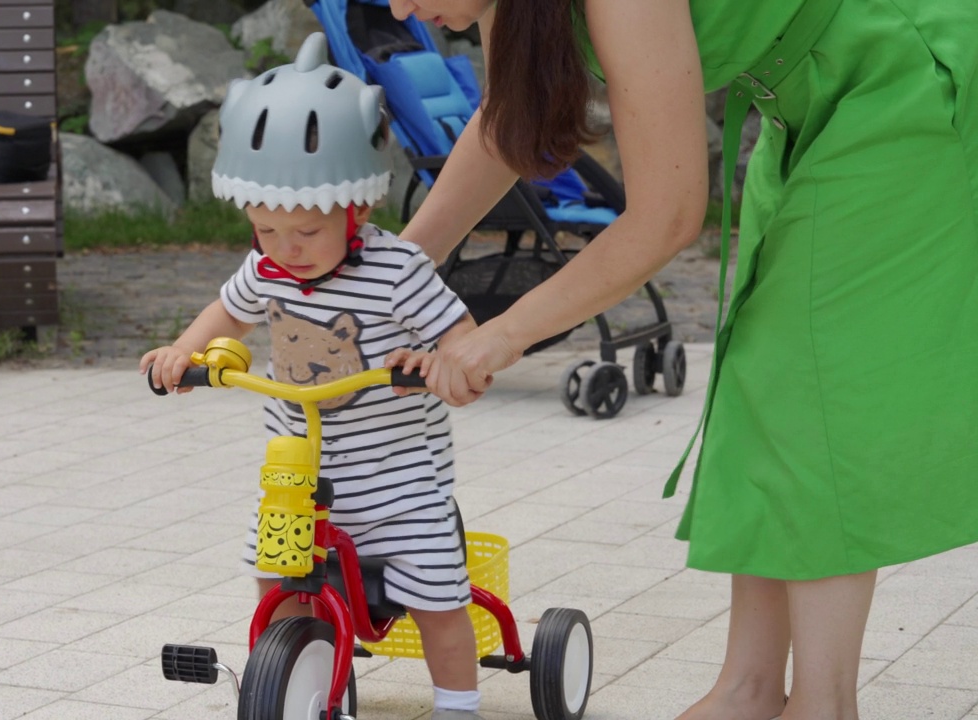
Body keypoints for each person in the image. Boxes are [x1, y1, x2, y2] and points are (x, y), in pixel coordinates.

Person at [383, 1, 978, 719]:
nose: (397, 7)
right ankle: (748, 690)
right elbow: (510, 119)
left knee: (815, 386)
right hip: (807, 96)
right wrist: (399, 270)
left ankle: (824, 704)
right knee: (761, 374)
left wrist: (503, 333)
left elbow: (666, 216)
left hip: (903, 73)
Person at [141, 33, 488, 720]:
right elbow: (228, 314)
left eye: (304, 232)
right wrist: (184, 353)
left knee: (439, 601)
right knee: (274, 581)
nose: (284, 250)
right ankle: (295, 681)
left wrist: (439, 363)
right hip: (295, 480)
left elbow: (466, 339)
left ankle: (458, 705)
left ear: (354, 208)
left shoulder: (397, 272)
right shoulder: (266, 267)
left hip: (398, 483)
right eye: (265, 230)